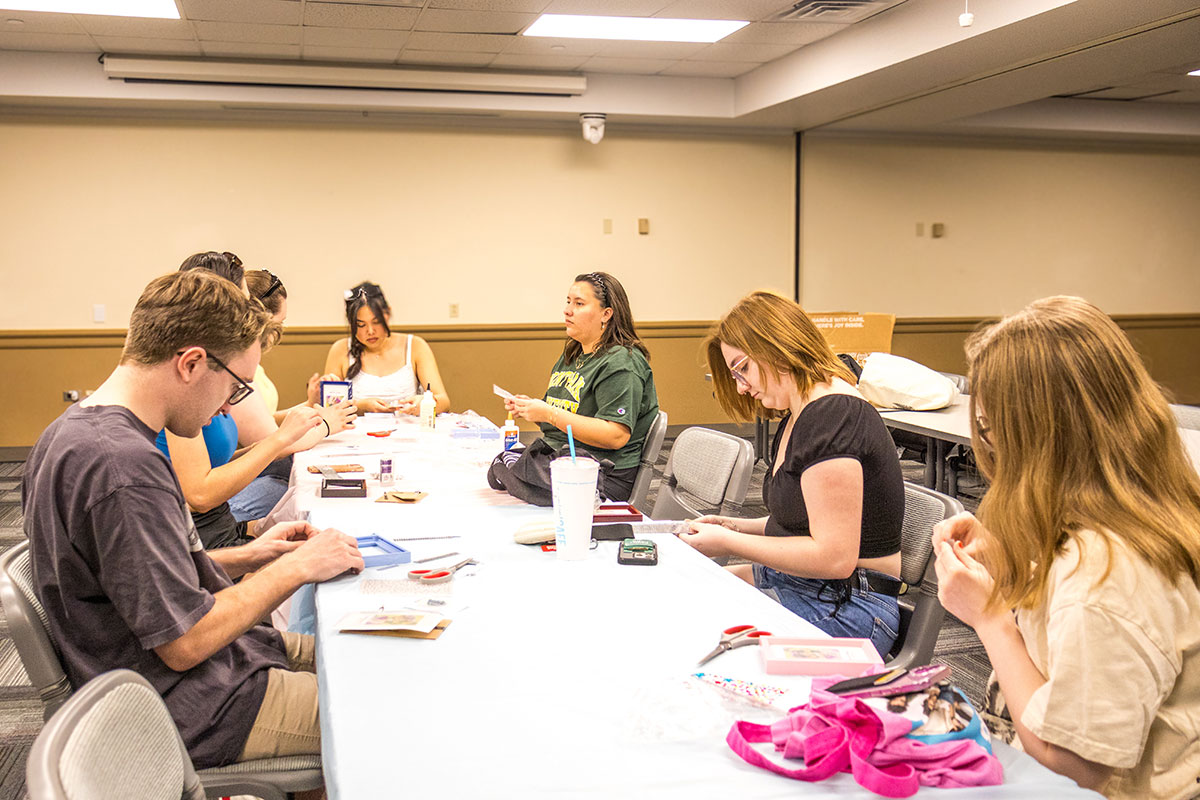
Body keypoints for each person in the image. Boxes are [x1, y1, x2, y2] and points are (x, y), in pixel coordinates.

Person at [22, 269, 364, 776]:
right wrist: (295, 569)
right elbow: (185, 643)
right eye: (235, 384)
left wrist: (253, 555)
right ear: (191, 363)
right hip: (188, 702)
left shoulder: (72, 432)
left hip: (189, 670)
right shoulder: (124, 468)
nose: (229, 404)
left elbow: (134, 580)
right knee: (385, 702)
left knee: (364, 653)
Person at [930, 296, 1200, 799]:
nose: (987, 445)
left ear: (1035, 437)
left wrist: (990, 620)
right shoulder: (1140, 507)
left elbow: (1073, 763)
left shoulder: (1108, 574)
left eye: (989, 429)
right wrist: (1008, 549)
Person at [678, 290, 904, 657]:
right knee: (682, 593)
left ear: (774, 348)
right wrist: (734, 526)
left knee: (695, 634)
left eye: (742, 368)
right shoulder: (801, 414)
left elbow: (834, 557)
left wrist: (728, 543)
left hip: (850, 606)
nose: (741, 386)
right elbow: (805, 518)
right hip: (810, 585)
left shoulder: (833, 416)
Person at [164, 255, 351, 547]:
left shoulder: (215, 368)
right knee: (289, 493)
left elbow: (216, 465)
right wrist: (315, 428)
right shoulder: (187, 380)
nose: (225, 408)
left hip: (217, 522)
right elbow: (200, 494)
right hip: (198, 530)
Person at [501, 271, 659, 502]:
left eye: (579, 303)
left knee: (507, 470)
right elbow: (565, 416)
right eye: (568, 302)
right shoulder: (574, 355)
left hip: (603, 473)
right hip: (562, 458)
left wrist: (550, 413)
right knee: (501, 465)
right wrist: (533, 409)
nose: (567, 310)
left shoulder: (622, 362)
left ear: (606, 314)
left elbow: (615, 436)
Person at [227, 269, 356, 521]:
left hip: (252, 467)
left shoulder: (252, 365)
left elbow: (261, 418)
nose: (280, 332)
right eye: (280, 323)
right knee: (299, 492)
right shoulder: (235, 368)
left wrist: (309, 405)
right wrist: (326, 425)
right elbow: (275, 445)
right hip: (248, 476)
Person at [320, 281, 450, 415]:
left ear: (387, 315)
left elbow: (444, 402)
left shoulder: (415, 346)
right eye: (361, 325)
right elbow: (329, 409)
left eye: (376, 322)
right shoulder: (340, 350)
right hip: (354, 433)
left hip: (407, 431)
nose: (370, 331)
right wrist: (360, 406)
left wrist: (424, 403)